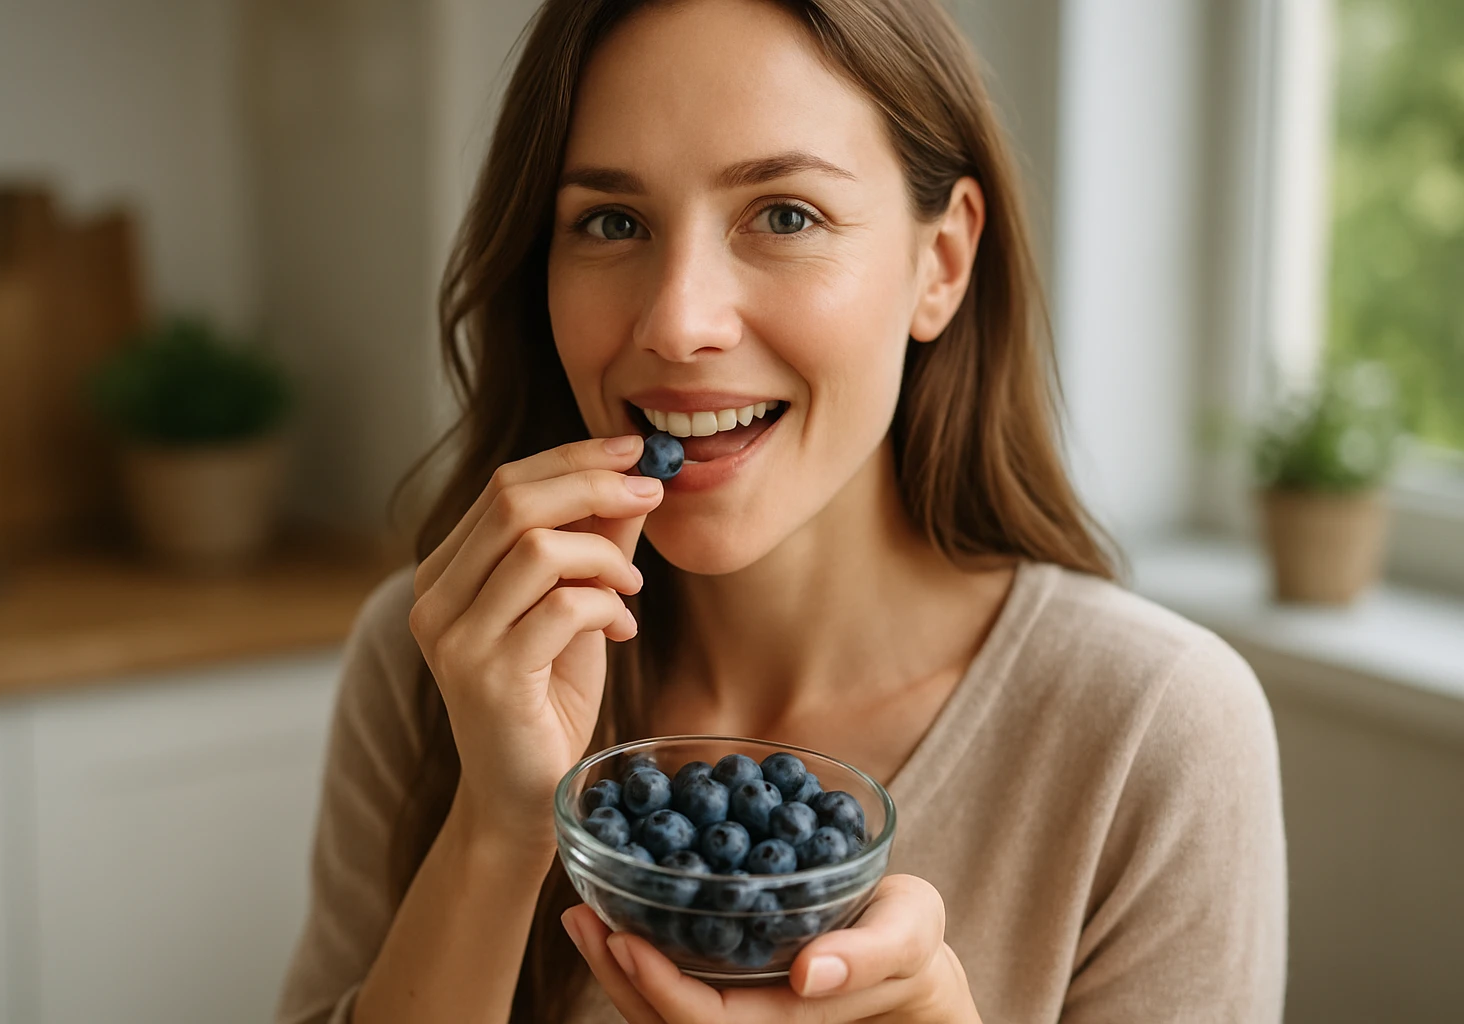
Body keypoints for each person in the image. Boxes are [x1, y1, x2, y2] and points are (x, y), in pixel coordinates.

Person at [275, 0, 1287, 1021]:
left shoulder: (1155, 734)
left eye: (785, 215)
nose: (677, 322)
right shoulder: (438, 658)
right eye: (611, 221)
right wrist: (497, 829)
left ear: (940, 263)